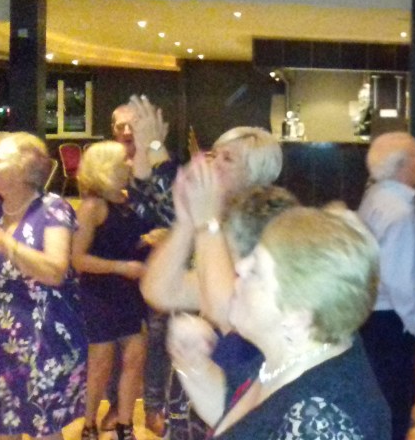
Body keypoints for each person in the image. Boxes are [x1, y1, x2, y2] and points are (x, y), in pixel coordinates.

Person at [168, 207, 391, 439]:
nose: (240, 267)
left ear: (296, 316)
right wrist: (193, 364)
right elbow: (245, 421)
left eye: (256, 271)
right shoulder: (296, 350)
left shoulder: (318, 422)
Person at [141, 126, 283, 440]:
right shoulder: (217, 226)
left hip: (246, 398)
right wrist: (186, 222)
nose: (212, 165)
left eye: (227, 159)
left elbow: (226, 311)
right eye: (213, 155)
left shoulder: (265, 230)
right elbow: (160, 291)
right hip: (205, 391)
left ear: (255, 176)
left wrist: (206, 222)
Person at [0, 132, 85, 440]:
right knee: (3, 427)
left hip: (44, 341)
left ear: (25, 168)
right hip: (2, 342)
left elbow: (55, 271)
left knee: (44, 430)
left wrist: (4, 241)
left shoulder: (52, 209)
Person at [102, 95, 177, 436]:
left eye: (133, 125)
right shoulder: (105, 168)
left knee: (159, 339)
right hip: (118, 268)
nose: (127, 131)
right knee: (118, 341)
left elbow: (174, 218)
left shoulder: (163, 170)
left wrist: (164, 236)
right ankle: (117, 406)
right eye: (120, 126)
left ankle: (154, 407)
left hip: (158, 269)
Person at [72, 141, 156, 440]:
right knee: (101, 362)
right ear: (106, 168)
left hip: (131, 290)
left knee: (135, 358)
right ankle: (89, 422)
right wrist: (121, 267)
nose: (130, 165)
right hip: (100, 292)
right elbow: (78, 259)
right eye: (124, 161)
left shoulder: (128, 202)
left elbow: (130, 242)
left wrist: (151, 240)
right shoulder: (92, 207)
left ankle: (125, 424)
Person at [358, 132, 415, 440]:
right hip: (389, 321)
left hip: (371, 316)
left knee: (381, 401)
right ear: (402, 165)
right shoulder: (400, 213)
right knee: (396, 406)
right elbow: (398, 285)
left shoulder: (374, 197)